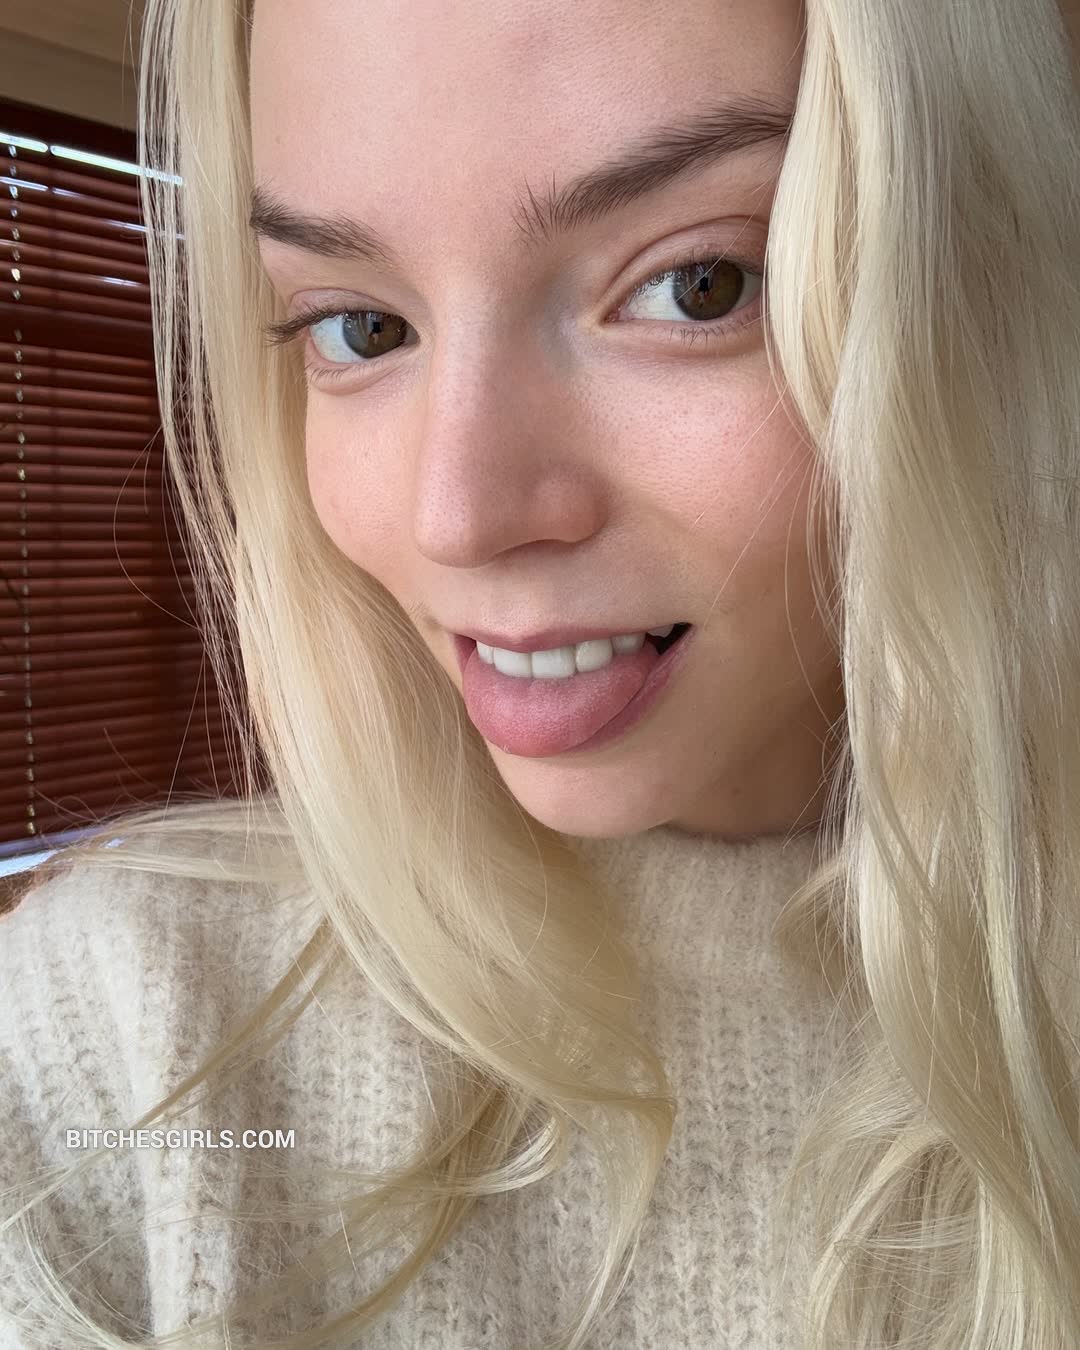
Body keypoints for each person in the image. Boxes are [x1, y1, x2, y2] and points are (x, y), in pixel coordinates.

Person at [1, 0, 1079, 1345]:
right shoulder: (127, 1042)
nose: (458, 515)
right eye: (360, 327)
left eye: (699, 284)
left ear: (988, 294)